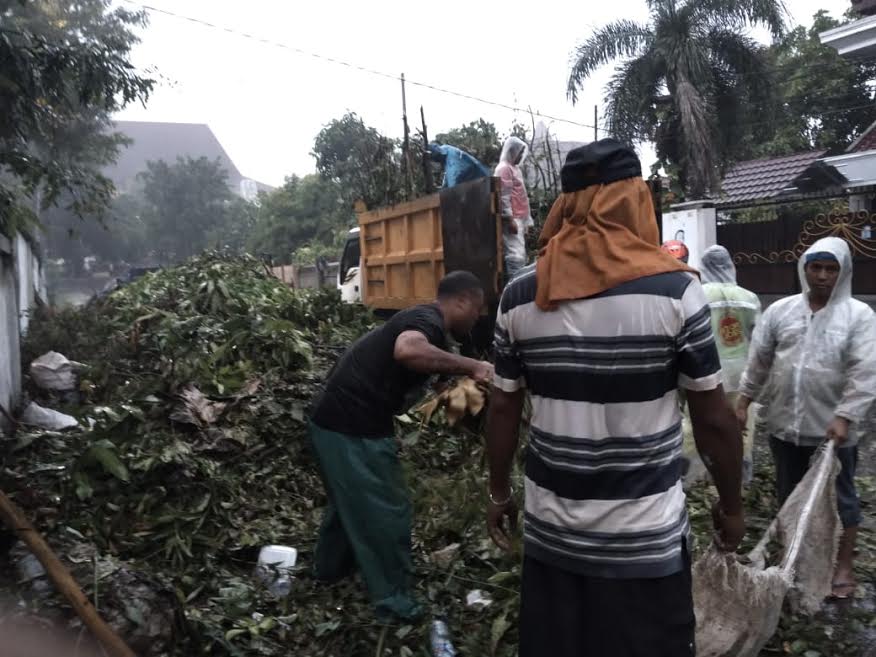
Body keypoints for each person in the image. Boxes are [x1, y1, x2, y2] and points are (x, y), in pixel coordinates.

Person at [485, 139, 744, 657]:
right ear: (634, 201)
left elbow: (502, 407)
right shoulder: (675, 292)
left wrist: (497, 495)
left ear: (565, 205)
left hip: (551, 536)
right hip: (644, 541)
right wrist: (732, 504)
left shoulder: (521, 295)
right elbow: (713, 420)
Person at [308, 271, 494, 621]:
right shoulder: (427, 320)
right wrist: (475, 367)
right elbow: (407, 350)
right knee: (387, 512)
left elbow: (441, 396)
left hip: (331, 422)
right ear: (463, 301)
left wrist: (470, 401)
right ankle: (394, 603)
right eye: (478, 310)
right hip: (351, 426)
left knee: (348, 502)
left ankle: (329, 573)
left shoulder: (430, 328)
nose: (477, 319)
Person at [736, 236, 876, 600]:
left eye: (832, 269)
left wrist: (845, 416)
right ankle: (793, 561)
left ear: (843, 272)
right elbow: (759, 361)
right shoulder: (780, 311)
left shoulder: (859, 317)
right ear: (805, 268)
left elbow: (866, 372)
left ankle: (842, 568)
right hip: (785, 427)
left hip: (832, 434)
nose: (823, 276)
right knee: (789, 497)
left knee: (840, 501)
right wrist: (743, 401)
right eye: (817, 267)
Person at [700, 245, 762, 483]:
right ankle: (740, 475)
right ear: (730, 266)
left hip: (708, 374)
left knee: (705, 424)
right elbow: (760, 340)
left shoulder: (697, 295)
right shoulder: (749, 298)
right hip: (742, 372)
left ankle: (704, 476)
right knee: (741, 424)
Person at [495, 136, 534, 281]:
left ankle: (519, 283)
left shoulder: (515, 169)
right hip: (513, 217)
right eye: (519, 152)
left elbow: (523, 197)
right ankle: (515, 285)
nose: (521, 156)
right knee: (515, 254)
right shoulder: (504, 168)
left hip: (520, 217)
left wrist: (527, 222)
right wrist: (509, 218)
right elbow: (504, 196)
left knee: (521, 253)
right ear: (512, 151)